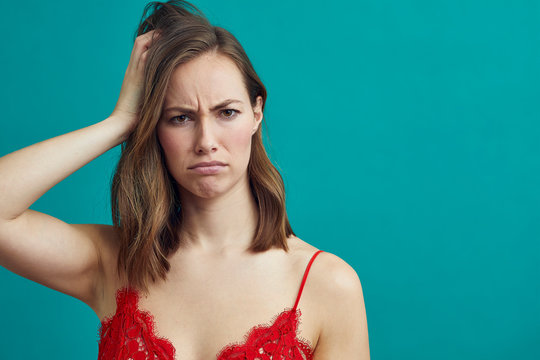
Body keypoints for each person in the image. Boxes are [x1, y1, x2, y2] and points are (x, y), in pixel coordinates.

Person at [0, 0, 369, 358]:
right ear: (154, 126)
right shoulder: (113, 261)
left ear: (257, 112)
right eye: (180, 117)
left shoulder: (328, 285)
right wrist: (119, 123)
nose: (206, 142)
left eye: (226, 112)